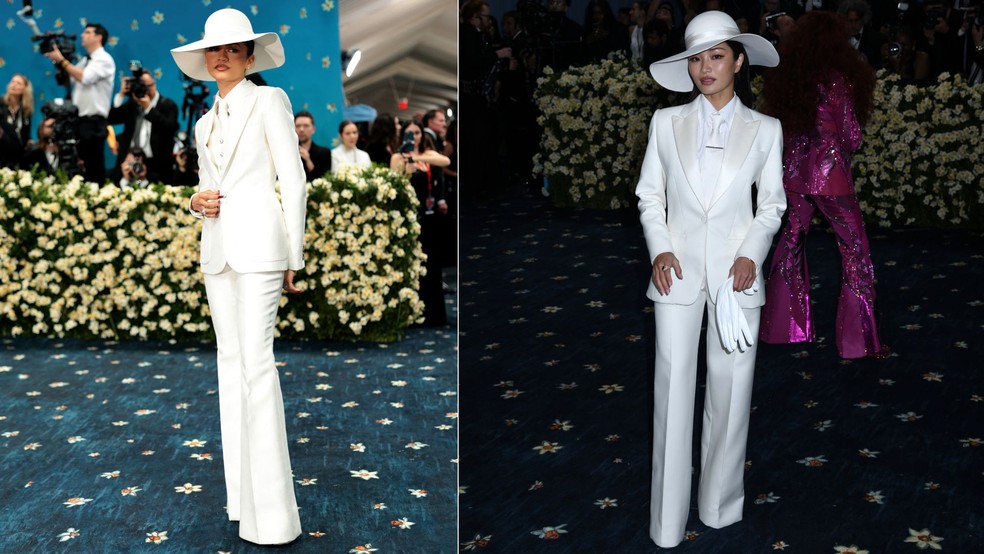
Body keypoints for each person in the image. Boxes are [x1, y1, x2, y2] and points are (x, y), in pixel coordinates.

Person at [635, 11, 785, 548]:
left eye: (716, 56)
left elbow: (772, 206)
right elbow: (650, 195)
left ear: (739, 61)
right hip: (675, 274)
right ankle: (666, 524)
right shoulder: (665, 124)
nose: (705, 68)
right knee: (671, 393)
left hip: (735, 278)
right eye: (696, 58)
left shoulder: (766, 130)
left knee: (730, 392)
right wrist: (661, 248)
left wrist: (751, 254)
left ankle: (720, 507)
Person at [170, 7, 305, 545]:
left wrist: (295, 255)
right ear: (205, 60)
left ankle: (273, 518)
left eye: (233, 49)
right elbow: (206, 190)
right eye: (214, 49)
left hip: (264, 250)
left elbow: (292, 181)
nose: (221, 56)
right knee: (230, 370)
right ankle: (241, 502)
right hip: (218, 251)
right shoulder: (203, 123)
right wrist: (194, 202)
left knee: (257, 368)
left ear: (250, 57)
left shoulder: (270, 100)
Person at [759, 11, 886, 360]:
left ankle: (784, 330)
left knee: (790, 244)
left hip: (795, 176)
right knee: (855, 252)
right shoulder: (838, 81)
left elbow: (782, 131)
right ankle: (857, 343)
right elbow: (853, 137)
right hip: (833, 181)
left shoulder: (791, 80)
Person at [390, 120, 451, 326]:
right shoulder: (397, 157)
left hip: (429, 215)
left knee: (432, 263)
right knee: (413, 263)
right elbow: (398, 180)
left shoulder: (427, 154)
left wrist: (418, 156)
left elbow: (445, 162)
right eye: (409, 133)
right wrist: (408, 160)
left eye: (416, 133)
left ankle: (434, 314)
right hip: (410, 215)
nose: (413, 137)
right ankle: (412, 313)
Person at [44, 23, 115, 184]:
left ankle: (98, 202)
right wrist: (61, 63)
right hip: (78, 121)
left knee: (93, 166)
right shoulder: (84, 60)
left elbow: (85, 77)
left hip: (93, 122)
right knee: (77, 166)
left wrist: (62, 60)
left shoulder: (104, 59)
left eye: (87, 32)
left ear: (99, 37)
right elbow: (68, 78)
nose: (82, 35)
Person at [108, 69, 179, 184]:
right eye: (142, 86)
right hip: (129, 161)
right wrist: (121, 94)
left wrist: (148, 109)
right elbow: (112, 119)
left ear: (154, 83)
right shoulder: (133, 103)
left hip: (156, 166)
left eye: (148, 86)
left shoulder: (168, 105)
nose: (145, 90)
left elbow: (169, 129)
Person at [0, 74, 34, 168]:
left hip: (18, 153)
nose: (14, 85)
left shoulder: (26, 110)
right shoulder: (1, 104)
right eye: (12, 82)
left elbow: (26, 133)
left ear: (25, 89)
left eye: (18, 83)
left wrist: (29, 141)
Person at [294, 110, 332, 181]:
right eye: (298, 126)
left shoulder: (324, 153)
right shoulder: (287, 152)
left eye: (306, 126)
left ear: (313, 129)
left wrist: (308, 161)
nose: (301, 129)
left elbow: (325, 181)